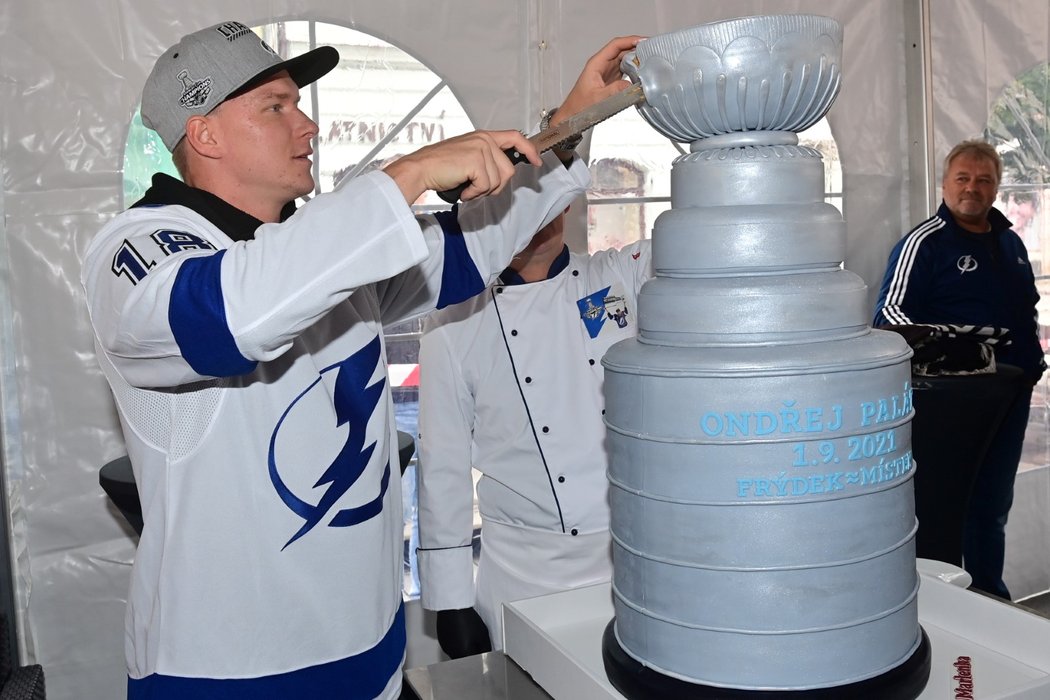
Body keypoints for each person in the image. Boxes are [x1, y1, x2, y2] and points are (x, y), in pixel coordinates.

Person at [80, 19, 642, 698]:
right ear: (205, 134)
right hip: (227, 671)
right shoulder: (140, 249)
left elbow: (473, 250)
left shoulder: (325, 251)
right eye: (276, 107)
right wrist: (402, 178)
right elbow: (227, 317)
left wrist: (566, 125)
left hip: (369, 653)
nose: (307, 126)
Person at [416, 208, 652, 656]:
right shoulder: (453, 323)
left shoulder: (614, 278)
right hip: (523, 574)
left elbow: (692, 247)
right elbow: (441, 466)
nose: (540, 220)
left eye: (549, 201)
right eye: (523, 206)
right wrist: (451, 602)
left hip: (630, 560)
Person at [873, 139, 1045, 599]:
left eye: (984, 180)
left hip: (1009, 394)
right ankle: (942, 602)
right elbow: (889, 316)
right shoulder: (923, 243)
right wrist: (962, 341)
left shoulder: (1009, 243)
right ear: (945, 184)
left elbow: (1026, 311)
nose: (973, 188)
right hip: (950, 404)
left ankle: (991, 596)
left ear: (996, 187)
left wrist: (1032, 366)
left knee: (992, 504)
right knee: (943, 505)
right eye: (963, 179)